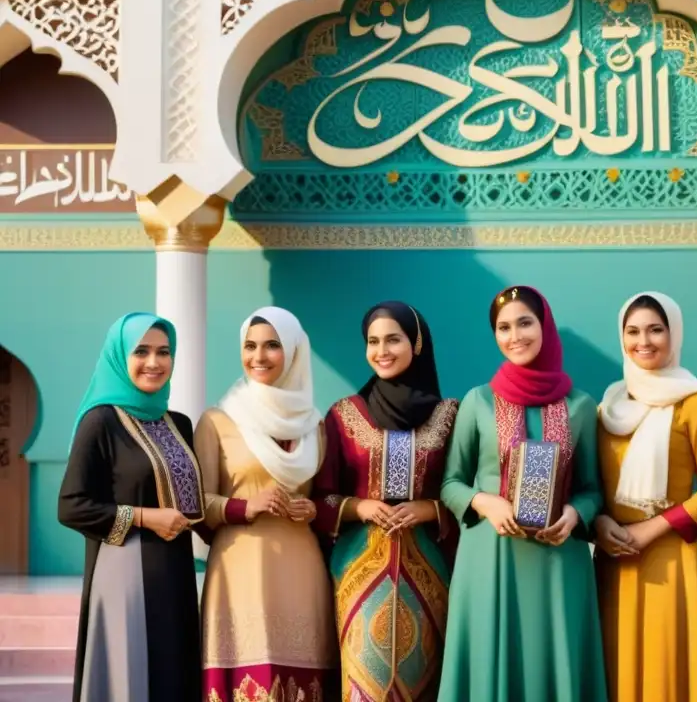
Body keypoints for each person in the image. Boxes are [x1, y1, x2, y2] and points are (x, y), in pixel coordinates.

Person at [437, 286, 608, 702]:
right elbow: (450, 483)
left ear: (545, 326)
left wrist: (574, 514)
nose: (515, 336)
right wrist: (484, 501)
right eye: (503, 327)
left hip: (558, 560)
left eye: (525, 323)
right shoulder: (478, 402)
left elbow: (592, 488)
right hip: (489, 556)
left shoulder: (581, 407)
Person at [311, 301, 458, 701]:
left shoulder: (450, 416)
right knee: (364, 684)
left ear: (417, 343)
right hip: (360, 574)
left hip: (429, 575)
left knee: (425, 683)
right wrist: (359, 507)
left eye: (393, 339)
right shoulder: (344, 415)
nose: (382, 351)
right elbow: (318, 500)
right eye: (373, 341)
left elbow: (467, 491)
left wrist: (429, 509)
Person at [58, 312, 203, 702]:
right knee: (130, 681)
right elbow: (72, 506)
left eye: (164, 352)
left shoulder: (179, 423)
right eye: (141, 351)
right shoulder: (101, 420)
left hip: (175, 574)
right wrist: (143, 516)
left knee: (174, 674)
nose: (154, 362)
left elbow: (195, 506)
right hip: (123, 573)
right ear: (119, 357)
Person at [594, 292, 697, 702]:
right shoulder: (609, 406)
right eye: (633, 331)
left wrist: (650, 530)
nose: (644, 341)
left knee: (666, 671)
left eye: (656, 329)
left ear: (674, 334)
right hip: (614, 558)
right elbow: (594, 486)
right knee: (617, 666)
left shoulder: (696, 401)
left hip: (671, 557)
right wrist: (600, 523)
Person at [196, 307, 335, 701]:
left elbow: (323, 499)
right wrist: (244, 506)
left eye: (272, 346)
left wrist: (312, 510)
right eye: (250, 346)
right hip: (239, 569)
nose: (259, 356)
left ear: (292, 352)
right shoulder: (219, 421)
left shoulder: (314, 425)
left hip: (301, 568)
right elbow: (198, 505)